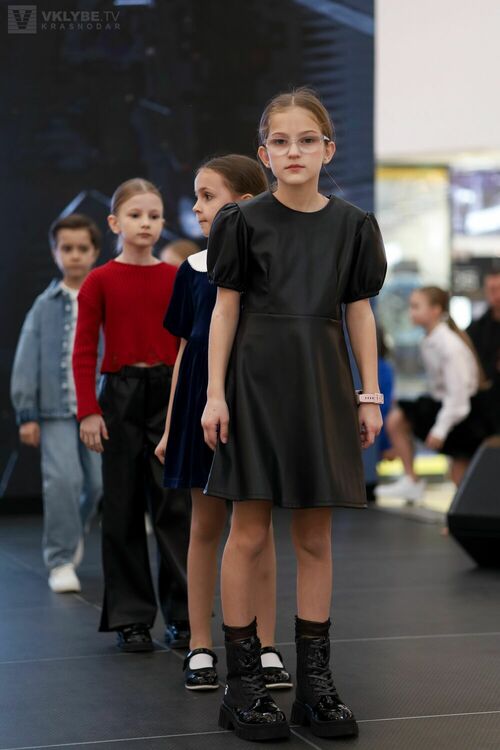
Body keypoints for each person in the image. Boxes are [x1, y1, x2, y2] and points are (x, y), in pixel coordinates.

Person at [201, 88, 387, 741]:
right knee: (248, 532)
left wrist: (369, 394)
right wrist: (215, 393)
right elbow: (225, 309)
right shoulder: (240, 221)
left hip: (322, 388)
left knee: (314, 537)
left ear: (328, 149)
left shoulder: (354, 225)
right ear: (264, 153)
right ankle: (244, 688)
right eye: (280, 141)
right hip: (253, 386)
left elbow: (360, 310)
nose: (294, 151)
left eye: (307, 140)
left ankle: (315, 689)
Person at [155, 154, 292, 692]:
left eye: (208, 196)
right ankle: (199, 644)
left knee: (258, 530)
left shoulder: (271, 263)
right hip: (201, 405)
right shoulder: (191, 269)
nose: (196, 207)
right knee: (205, 525)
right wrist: (172, 427)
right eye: (197, 196)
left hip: (254, 401)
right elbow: (184, 353)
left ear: (244, 202)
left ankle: (267, 643)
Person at [73, 178, 190, 653]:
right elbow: (84, 350)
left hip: (167, 394)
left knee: (173, 506)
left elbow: (186, 348)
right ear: (115, 222)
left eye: (154, 216)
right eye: (136, 215)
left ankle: (183, 613)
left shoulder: (176, 278)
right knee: (120, 507)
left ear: (163, 223)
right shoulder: (99, 280)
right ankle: (131, 617)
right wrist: (88, 411)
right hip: (118, 395)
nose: (146, 224)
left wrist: (186, 407)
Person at [11, 214, 103, 594]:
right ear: (55, 252)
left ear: (95, 252)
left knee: (96, 484)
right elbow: (26, 359)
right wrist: (27, 413)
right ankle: (61, 558)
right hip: (55, 411)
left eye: (82, 248)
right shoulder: (44, 305)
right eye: (67, 248)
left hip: (97, 410)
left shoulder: (103, 298)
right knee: (63, 481)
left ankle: (73, 529)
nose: (75, 255)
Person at [377, 286, 493, 503]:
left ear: (435, 310)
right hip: (447, 406)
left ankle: (470, 511)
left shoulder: (448, 345)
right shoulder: (430, 340)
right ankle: (411, 480)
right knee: (397, 419)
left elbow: (459, 397)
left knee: (460, 473)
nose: (411, 312)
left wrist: (440, 429)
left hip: (465, 413)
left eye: (416, 307)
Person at [467, 268, 500, 432]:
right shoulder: (478, 327)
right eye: (491, 289)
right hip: (484, 402)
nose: (496, 295)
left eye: (498, 289)